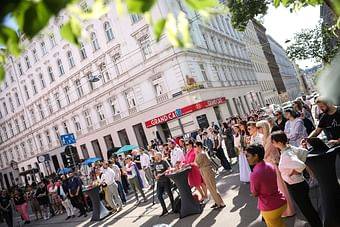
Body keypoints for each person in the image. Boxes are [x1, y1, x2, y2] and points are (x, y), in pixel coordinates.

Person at [271, 131, 322, 227]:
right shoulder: (289, 148)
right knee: (308, 209)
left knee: (307, 210)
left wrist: (296, 171)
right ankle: (317, 224)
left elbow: (300, 164)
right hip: (299, 183)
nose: (272, 144)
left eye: (273, 142)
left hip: (296, 186)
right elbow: (303, 152)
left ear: (280, 142)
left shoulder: (287, 154)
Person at [256, 120, 295, 217]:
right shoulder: (265, 138)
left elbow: (264, 153)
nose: (258, 130)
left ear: (264, 127)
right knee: (276, 188)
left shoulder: (270, 138)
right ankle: (282, 210)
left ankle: (288, 210)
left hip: (273, 165)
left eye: (259, 127)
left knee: (281, 188)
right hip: (269, 165)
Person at [246, 144, 287, 227]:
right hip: (281, 202)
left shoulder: (254, 174)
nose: (246, 158)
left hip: (270, 208)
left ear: (256, 156)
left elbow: (254, 193)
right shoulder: (270, 165)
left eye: (248, 156)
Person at [195, 141, 225, 209]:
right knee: (211, 187)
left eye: (196, 146)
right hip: (207, 171)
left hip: (207, 172)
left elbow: (196, 164)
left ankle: (220, 203)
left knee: (212, 188)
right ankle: (217, 202)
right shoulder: (202, 153)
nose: (195, 148)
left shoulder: (201, 154)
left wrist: (196, 155)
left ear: (199, 146)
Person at [154, 152, 175, 216]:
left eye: (156, 156)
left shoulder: (164, 161)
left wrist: (162, 174)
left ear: (159, 156)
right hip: (159, 181)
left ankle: (174, 208)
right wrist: (155, 176)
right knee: (159, 196)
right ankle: (164, 210)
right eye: (155, 156)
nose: (155, 157)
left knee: (169, 194)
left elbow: (169, 169)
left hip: (166, 180)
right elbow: (154, 170)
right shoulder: (155, 163)